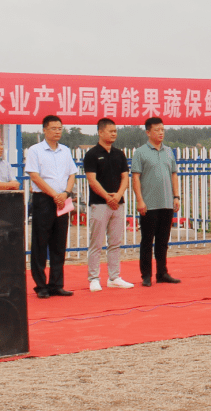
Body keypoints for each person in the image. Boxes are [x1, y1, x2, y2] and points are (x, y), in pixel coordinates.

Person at [25, 115, 78, 299]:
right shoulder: (35, 150)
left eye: (60, 128)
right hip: (44, 200)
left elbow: (72, 174)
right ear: (45, 130)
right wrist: (54, 194)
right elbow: (35, 176)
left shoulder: (65, 150)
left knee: (59, 243)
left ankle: (57, 284)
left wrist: (65, 193)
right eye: (54, 128)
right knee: (40, 243)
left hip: (63, 199)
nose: (57, 131)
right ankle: (41, 286)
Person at [83, 118, 133, 292]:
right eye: (110, 131)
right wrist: (107, 197)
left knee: (115, 242)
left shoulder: (119, 154)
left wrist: (118, 196)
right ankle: (94, 278)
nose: (114, 134)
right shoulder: (91, 154)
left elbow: (125, 177)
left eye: (115, 131)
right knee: (96, 243)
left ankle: (114, 277)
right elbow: (92, 180)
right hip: (99, 204)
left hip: (118, 205)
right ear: (100, 132)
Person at [131, 117, 181, 287]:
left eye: (162, 130)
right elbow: (136, 177)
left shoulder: (168, 151)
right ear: (148, 132)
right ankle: (146, 275)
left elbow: (174, 174)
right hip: (149, 204)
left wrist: (176, 196)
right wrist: (140, 200)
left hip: (167, 202)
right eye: (157, 130)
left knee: (163, 241)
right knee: (147, 240)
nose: (161, 133)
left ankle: (162, 272)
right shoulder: (140, 152)